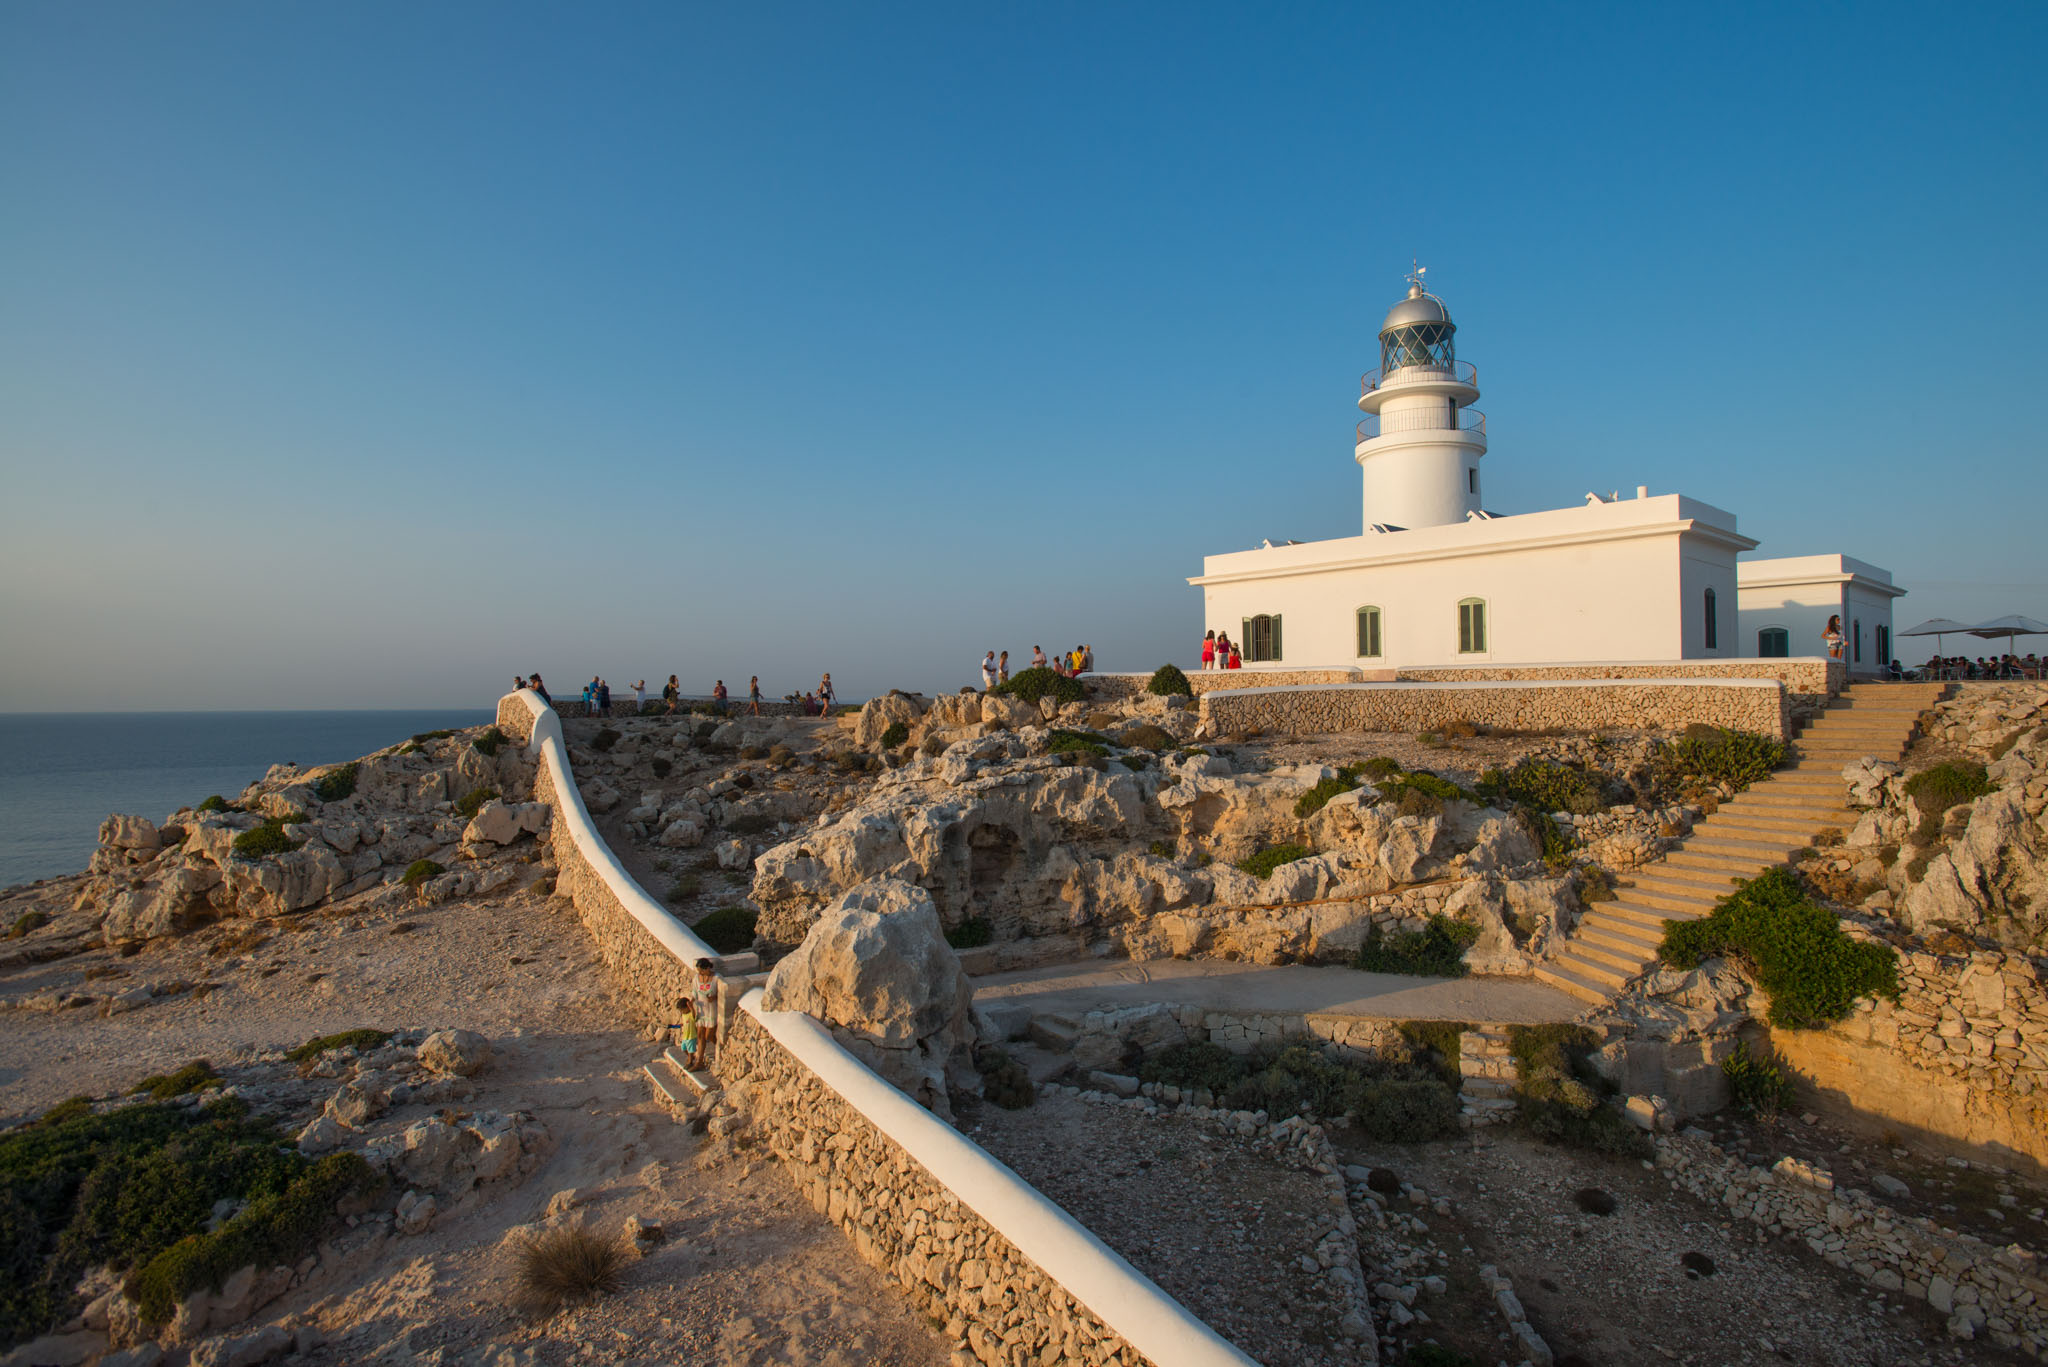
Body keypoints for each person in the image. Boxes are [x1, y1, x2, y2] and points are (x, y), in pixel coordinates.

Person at [692, 958, 720, 1066]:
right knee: (700, 1035)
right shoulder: (696, 978)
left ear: (707, 968)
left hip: (711, 1010)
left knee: (709, 1035)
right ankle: (699, 1060)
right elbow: (694, 991)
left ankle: (719, 1047)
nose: (700, 973)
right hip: (701, 1009)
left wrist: (714, 997)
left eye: (702, 971)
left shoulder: (716, 978)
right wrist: (692, 1001)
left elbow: (722, 993)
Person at [670, 996, 700, 1070]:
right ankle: (691, 1057)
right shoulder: (684, 1015)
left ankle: (690, 1062)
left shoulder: (691, 1014)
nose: (681, 1011)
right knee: (683, 1048)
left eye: (682, 1010)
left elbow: (693, 1014)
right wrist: (678, 1025)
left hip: (691, 1036)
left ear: (687, 1007)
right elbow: (684, 1022)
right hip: (685, 1036)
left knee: (690, 1050)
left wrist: (691, 1007)